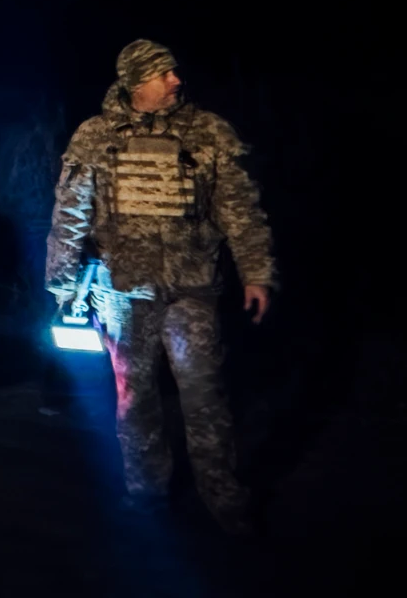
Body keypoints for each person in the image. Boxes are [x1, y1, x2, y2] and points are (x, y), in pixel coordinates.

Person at [44, 39, 277, 534]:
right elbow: (70, 213)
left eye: (175, 73)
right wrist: (63, 284)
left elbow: (241, 211)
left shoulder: (206, 132)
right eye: (163, 74)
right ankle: (145, 495)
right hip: (123, 292)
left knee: (204, 395)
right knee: (135, 397)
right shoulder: (98, 136)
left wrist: (257, 273)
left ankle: (224, 498)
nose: (176, 81)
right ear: (136, 83)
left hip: (191, 290)